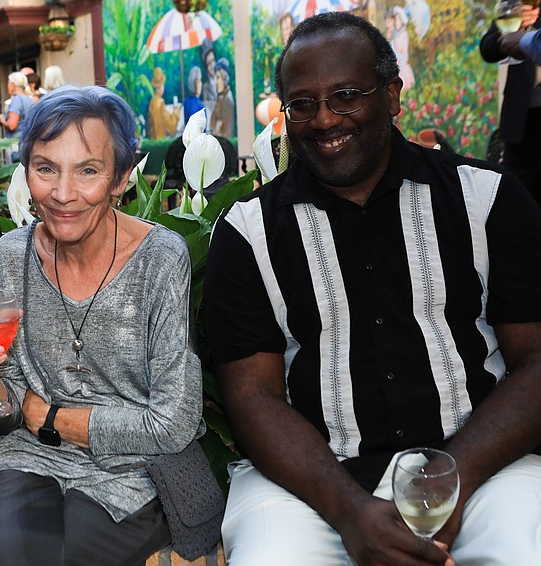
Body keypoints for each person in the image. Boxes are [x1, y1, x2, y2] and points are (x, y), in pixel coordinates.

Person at [204, 12, 541, 566]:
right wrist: (348, 510)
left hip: (481, 466)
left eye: (346, 96)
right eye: (302, 104)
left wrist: (451, 481)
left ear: (392, 96)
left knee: (525, 550)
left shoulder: (486, 199)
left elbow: (535, 363)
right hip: (310, 483)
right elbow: (252, 397)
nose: (324, 119)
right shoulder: (248, 231)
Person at [0, 85, 204, 565]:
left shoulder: (160, 259)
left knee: (69, 557)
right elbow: (5, 417)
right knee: (2, 551)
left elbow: (173, 422)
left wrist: (49, 417)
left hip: (131, 471)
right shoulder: (11, 257)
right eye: (46, 169)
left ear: (121, 178)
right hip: (27, 457)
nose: (63, 194)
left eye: (88, 171)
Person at [480, 4, 541, 204]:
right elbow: (487, 47)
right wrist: (509, 33)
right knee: (515, 197)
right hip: (522, 118)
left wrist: (525, 41)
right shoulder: (517, 4)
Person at [0, 72, 33, 162]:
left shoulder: (16, 100)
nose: (8, 86)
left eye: (8, 83)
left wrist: (2, 120)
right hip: (27, 142)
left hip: (15, 144)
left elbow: (12, 125)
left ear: (13, 85)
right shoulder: (29, 99)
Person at [147, 67, 181, 139]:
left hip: (152, 140)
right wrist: (176, 112)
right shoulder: (160, 103)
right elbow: (170, 124)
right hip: (160, 140)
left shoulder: (152, 102)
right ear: (161, 86)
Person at [210, 58, 234, 137]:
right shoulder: (221, 98)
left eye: (218, 77)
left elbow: (228, 132)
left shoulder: (227, 99)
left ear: (225, 78)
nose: (216, 82)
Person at [200, 39, 218, 127]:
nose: (212, 66)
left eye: (213, 60)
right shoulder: (206, 87)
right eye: (209, 63)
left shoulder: (223, 81)